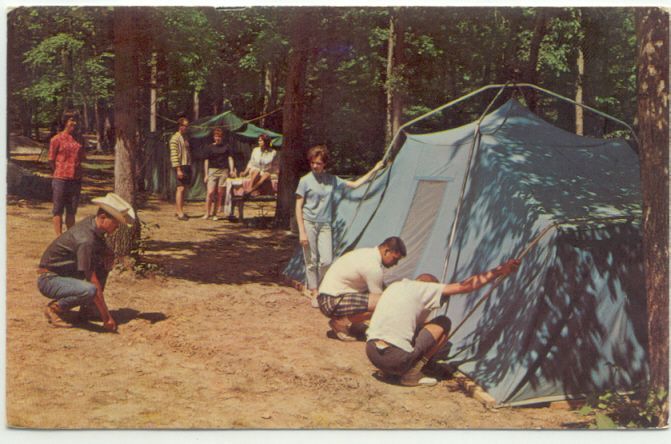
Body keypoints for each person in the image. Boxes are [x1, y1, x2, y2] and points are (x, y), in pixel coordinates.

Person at [365, 259, 521, 387]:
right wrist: (500, 270)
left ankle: (391, 369)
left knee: (414, 330)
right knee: (443, 322)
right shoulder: (426, 289)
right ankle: (411, 374)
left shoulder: (397, 287)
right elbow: (465, 286)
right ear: (431, 285)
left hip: (371, 352)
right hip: (396, 358)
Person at [295, 145, 385, 302]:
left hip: (325, 224)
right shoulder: (305, 181)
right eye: (313, 163)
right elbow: (298, 207)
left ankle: (323, 286)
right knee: (311, 260)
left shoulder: (332, 180)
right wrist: (301, 231)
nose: (315, 166)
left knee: (326, 260)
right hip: (309, 223)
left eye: (319, 163)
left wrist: (375, 169)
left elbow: (356, 184)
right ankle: (315, 292)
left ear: (324, 164)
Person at [37, 192, 136, 331]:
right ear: (102, 218)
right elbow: (92, 279)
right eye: (116, 223)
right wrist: (106, 317)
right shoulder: (86, 240)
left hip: (64, 274)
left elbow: (101, 243)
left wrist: (109, 253)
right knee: (90, 289)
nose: (117, 227)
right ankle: (55, 308)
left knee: (102, 265)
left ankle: (89, 309)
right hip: (49, 280)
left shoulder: (92, 223)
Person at [317, 237, 406, 341]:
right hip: (330, 301)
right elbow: (381, 299)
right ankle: (339, 323)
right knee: (382, 303)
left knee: (373, 298)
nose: (395, 263)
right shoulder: (373, 267)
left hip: (328, 297)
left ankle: (354, 325)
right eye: (395, 259)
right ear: (386, 251)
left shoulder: (367, 254)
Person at [49, 112, 86, 236]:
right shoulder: (56, 139)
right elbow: (51, 160)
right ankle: (59, 238)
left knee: (71, 210)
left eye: (76, 120)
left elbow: (82, 158)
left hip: (75, 179)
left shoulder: (80, 139)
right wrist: (59, 171)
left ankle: (69, 237)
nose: (74, 123)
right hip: (60, 179)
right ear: (65, 122)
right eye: (71, 120)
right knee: (58, 209)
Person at [201, 127, 235, 220]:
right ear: (213, 137)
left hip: (224, 171)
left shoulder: (227, 147)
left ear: (222, 137)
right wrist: (206, 174)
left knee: (219, 193)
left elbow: (230, 158)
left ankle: (215, 214)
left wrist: (231, 170)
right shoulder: (209, 147)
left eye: (219, 136)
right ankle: (207, 213)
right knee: (210, 192)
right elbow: (206, 161)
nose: (217, 138)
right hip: (212, 171)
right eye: (216, 136)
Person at [170, 117, 192, 220]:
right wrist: (178, 169)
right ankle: (179, 213)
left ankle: (179, 210)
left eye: (187, 126)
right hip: (179, 166)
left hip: (186, 165)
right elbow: (174, 155)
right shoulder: (175, 138)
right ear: (180, 126)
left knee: (184, 189)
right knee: (180, 188)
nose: (186, 128)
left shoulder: (185, 137)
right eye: (185, 126)